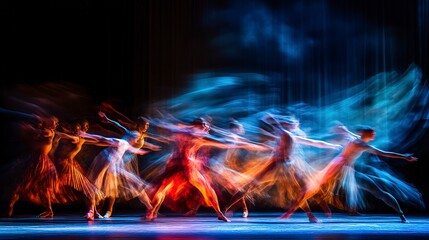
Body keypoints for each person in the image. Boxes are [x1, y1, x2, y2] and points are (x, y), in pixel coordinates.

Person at [280, 125, 418, 223]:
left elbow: (349, 134)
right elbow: (385, 153)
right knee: (313, 187)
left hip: (343, 169)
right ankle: (293, 212)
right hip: (339, 169)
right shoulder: (361, 144)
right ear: (365, 133)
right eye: (372, 132)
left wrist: (343, 129)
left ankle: (400, 213)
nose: (374, 134)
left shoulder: (356, 139)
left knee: (376, 189)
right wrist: (404, 157)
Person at [145, 117, 269, 222]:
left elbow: (167, 128)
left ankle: (151, 212)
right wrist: (242, 143)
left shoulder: (182, 131)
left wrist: (157, 124)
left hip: (177, 165)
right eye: (204, 125)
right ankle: (219, 213)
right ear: (197, 125)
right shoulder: (198, 135)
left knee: (165, 188)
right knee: (203, 189)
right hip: (185, 166)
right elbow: (221, 142)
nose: (207, 127)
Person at [223, 114, 341, 223]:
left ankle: (310, 215)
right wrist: (278, 119)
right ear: (288, 125)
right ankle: (226, 209)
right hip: (278, 163)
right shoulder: (283, 132)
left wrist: (331, 145)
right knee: (250, 185)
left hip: (286, 165)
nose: (295, 126)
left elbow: (314, 142)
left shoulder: (291, 136)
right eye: (293, 124)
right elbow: (267, 117)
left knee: (299, 190)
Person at [97, 111, 161, 218]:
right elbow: (119, 126)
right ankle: (106, 210)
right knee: (110, 187)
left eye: (148, 125)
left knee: (137, 188)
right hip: (118, 163)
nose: (147, 126)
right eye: (146, 124)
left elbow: (143, 142)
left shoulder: (141, 135)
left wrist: (152, 145)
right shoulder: (132, 133)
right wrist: (108, 120)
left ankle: (150, 209)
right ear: (140, 124)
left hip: (126, 163)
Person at [83, 129, 154, 221]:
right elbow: (102, 138)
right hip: (107, 164)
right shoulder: (120, 142)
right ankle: (91, 211)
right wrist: (87, 135)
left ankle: (91, 211)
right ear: (133, 138)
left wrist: (142, 151)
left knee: (130, 181)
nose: (137, 141)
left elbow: (134, 150)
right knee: (95, 185)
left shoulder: (127, 144)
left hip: (114, 167)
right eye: (137, 139)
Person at [8, 116, 60, 218]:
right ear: (48, 122)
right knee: (21, 184)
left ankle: (49, 210)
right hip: (35, 160)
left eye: (56, 123)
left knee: (44, 188)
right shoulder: (43, 131)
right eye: (54, 122)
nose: (56, 124)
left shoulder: (49, 132)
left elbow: (37, 133)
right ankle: (10, 207)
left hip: (43, 161)